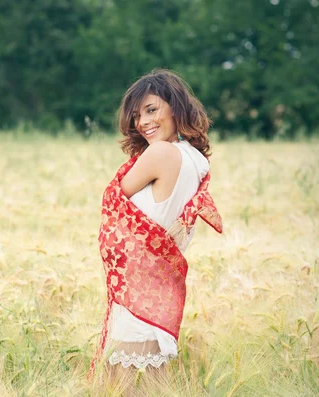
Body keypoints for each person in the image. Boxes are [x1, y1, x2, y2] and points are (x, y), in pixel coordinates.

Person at [88, 69, 223, 387]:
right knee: (148, 384)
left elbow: (114, 195)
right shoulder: (196, 160)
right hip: (157, 293)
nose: (143, 122)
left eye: (152, 110)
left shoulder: (160, 153)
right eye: (137, 115)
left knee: (125, 387)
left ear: (175, 107)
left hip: (140, 297)